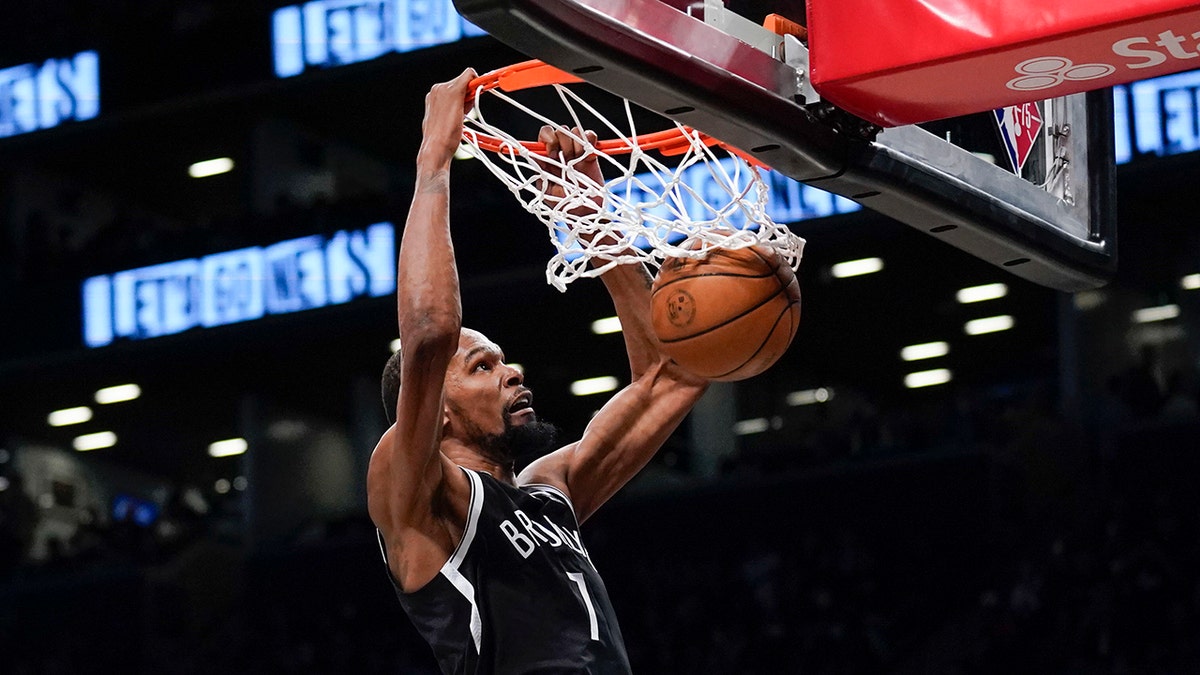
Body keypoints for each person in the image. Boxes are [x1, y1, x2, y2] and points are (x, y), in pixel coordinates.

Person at [367, 69, 710, 673]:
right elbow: (428, 336)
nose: (513, 370)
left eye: (504, 360)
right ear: (438, 410)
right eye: (483, 365)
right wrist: (434, 163)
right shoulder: (419, 493)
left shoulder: (553, 491)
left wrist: (596, 227)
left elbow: (673, 375)